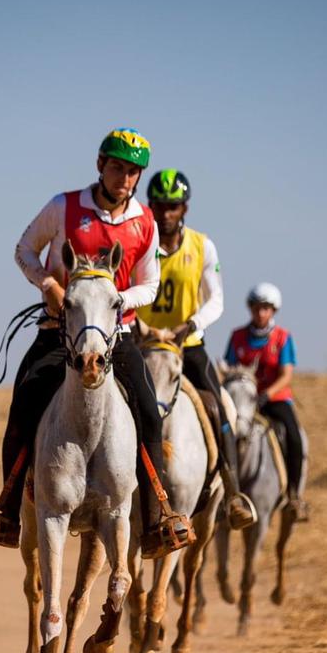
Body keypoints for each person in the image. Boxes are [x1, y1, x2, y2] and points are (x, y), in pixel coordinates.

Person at [0, 128, 194, 559]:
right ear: (99, 165)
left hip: (118, 336)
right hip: (57, 332)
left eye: (133, 171)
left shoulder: (144, 222)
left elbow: (151, 284)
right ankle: (9, 510)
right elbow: (24, 250)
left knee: (149, 413)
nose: (124, 178)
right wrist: (49, 283)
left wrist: (117, 302)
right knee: (24, 405)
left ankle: (156, 521)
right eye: (117, 167)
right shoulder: (64, 207)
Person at [136, 169, 258, 530]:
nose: (165, 213)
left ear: (184, 208)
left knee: (219, 405)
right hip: (142, 343)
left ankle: (233, 492)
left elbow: (216, 300)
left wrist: (188, 326)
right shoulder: (140, 244)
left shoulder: (203, 246)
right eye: (159, 206)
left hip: (186, 345)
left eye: (172, 206)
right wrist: (140, 327)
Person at [224, 283, 311, 521]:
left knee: (294, 437)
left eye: (266, 308)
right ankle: (217, 490)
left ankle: (294, 495)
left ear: (273, 311)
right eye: (256, 308)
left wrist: (266, 394)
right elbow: (230, 369)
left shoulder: (283, 338)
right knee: (221, 431)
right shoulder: (237, 337)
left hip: (273, 399)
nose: (260, 313)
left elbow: (287, 375)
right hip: (242, 401)